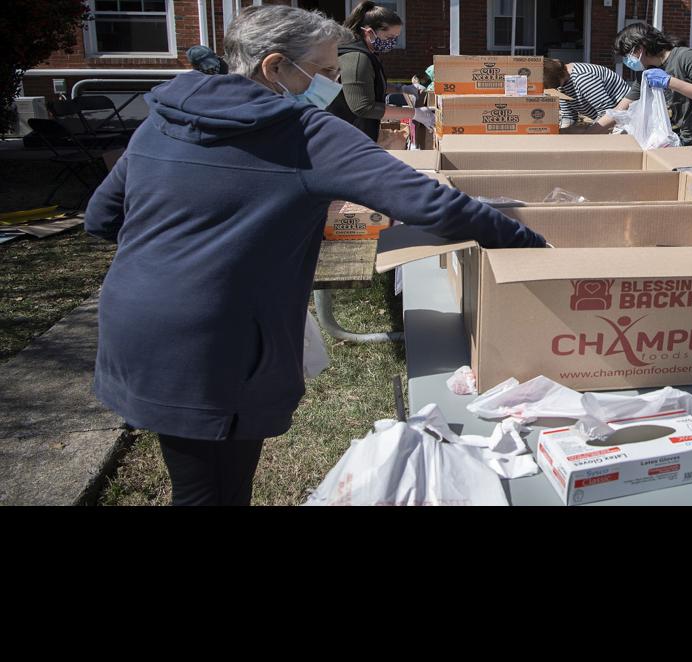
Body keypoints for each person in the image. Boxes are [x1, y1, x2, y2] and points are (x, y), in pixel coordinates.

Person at [83, 4, 547, 506]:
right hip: (216, 340)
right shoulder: (304, 133)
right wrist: (531, 246)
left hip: (134, 322)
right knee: (215, 491)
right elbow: (431, 202)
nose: (331, 82)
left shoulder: (165, 115)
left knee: (197, 481)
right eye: (325, 71)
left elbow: (102, 218)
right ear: (275, 66)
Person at [595, 22, 692, 145]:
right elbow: (620, 109)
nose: (626, 61)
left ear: (640, 49)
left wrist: (669, 81)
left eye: (627, 55)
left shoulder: (689, 57)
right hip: (687, 137)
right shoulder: (646, 73)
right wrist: (590, 133)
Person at [327, 0, 432, 139]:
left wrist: (401, 89)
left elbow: (369, 84)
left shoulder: (365, 53)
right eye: (389, 37)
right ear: (369, 33)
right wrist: (415, 114)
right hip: (345, 137)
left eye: (396, 38)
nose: (392, 42)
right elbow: (363, 107)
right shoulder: (357, 58)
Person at [543, 58, 630, 129]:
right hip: (606, 119)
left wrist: (590, 132)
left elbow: (607, 113)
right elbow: (568, 116)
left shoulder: (583, 79)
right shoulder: (562, 83)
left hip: (624, 121)